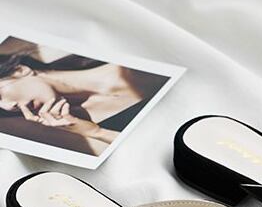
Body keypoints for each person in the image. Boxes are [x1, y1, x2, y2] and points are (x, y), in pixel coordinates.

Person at [0, 53, 166, 151]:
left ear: (20, 71)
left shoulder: (130, 64)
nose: (8, 107)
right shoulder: (75, 125)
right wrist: (97, 133)